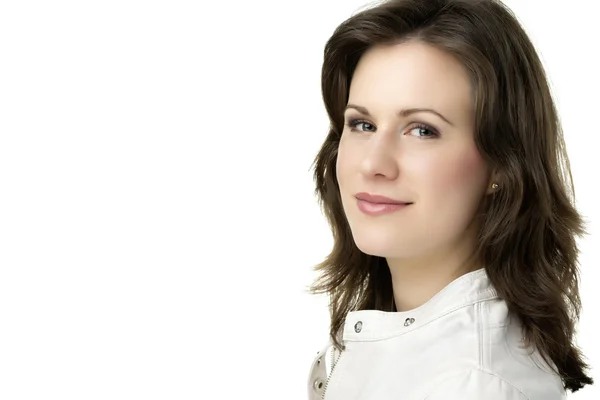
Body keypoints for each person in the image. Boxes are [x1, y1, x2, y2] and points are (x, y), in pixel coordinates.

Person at [306, 0, 594, 399]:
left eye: (422, 130)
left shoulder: (472, 385)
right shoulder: (395, 332)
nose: (373, 162)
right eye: (363, 124)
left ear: (500, 163)